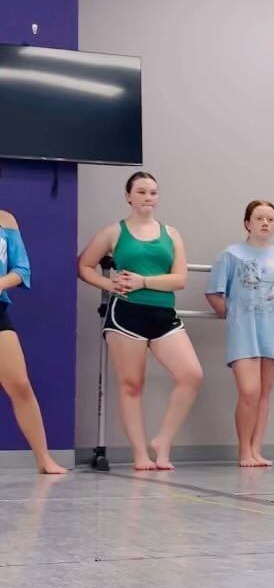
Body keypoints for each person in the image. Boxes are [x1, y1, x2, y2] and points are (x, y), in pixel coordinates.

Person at [77, 171, 203, 471]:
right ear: (128, 196)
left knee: (191, 375)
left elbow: (179, 279)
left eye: (153, 192)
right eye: (142, 192)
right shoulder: (114, 232)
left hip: (163, 315)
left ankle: (163, 441)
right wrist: (110, 285)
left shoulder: (171, 234)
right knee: (132, 385)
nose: (148, 197)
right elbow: (84, 266)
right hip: (126, 315)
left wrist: (143, 281)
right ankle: (140, 455)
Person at [206, 200, 274, 468]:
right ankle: (244, 451)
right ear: (247, 223)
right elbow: (214, 293)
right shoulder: (231, 255)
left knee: (263, 394)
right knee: (249, 391)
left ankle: (256, 449)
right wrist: (235, 316)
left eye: (270, 219)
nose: (265, 223)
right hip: (244, 333)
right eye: (259, 218)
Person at [0, 209, 65, 475]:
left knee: (20, 384)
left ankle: (44, 458)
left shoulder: (6, 220)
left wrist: (0, 282)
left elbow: (21, 269)